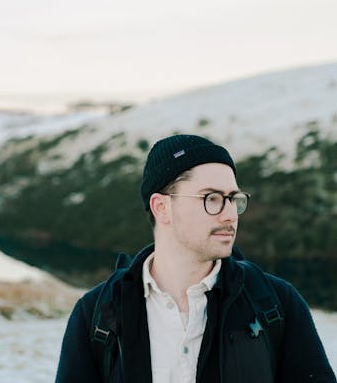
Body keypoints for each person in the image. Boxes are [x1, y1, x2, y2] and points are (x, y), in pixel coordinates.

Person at [55, 134, 335, 383]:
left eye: (233, 198)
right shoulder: (97, 313)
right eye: (211, 198)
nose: (230, 215)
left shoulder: (276, 303)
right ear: (162, 207)